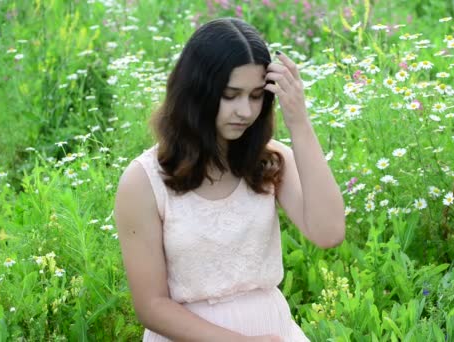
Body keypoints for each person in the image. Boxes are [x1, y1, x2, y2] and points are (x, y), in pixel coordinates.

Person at [113, 17, 345, 341]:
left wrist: (299, 122)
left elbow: (330, 232)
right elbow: (151, 305)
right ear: (197, 91)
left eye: (255, 96)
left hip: (274, 329)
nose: (245, 111)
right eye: (230, 95)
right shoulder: (144, 181)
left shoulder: (268, 160)